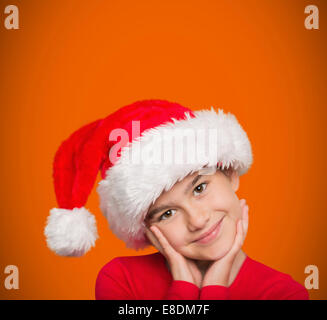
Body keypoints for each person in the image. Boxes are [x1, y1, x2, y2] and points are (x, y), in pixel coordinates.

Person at [44, 99, 309, 300]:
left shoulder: (283, 293)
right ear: (146, 229)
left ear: (230, 174)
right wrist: (187, 288)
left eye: (199, 188)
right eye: (167, 213)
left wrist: (213, 285)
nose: (197, 220)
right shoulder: (121, 280)